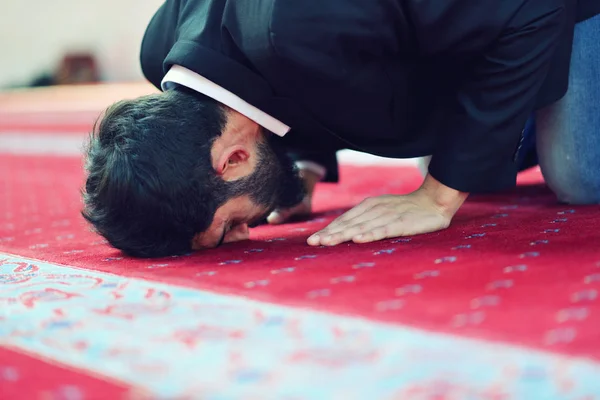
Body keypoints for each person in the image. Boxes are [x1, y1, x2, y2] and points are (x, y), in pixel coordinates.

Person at [82, 0, 600, 258]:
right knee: (460, 143)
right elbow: (266, 82)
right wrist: (300, 165)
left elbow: (532, 9)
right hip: (451, 34)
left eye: (226, 228)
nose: (247, 232)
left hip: (552, 11)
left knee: (578, 175)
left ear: (233, 159)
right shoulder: (163, 54)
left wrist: (437, 198)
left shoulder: (308, 25)